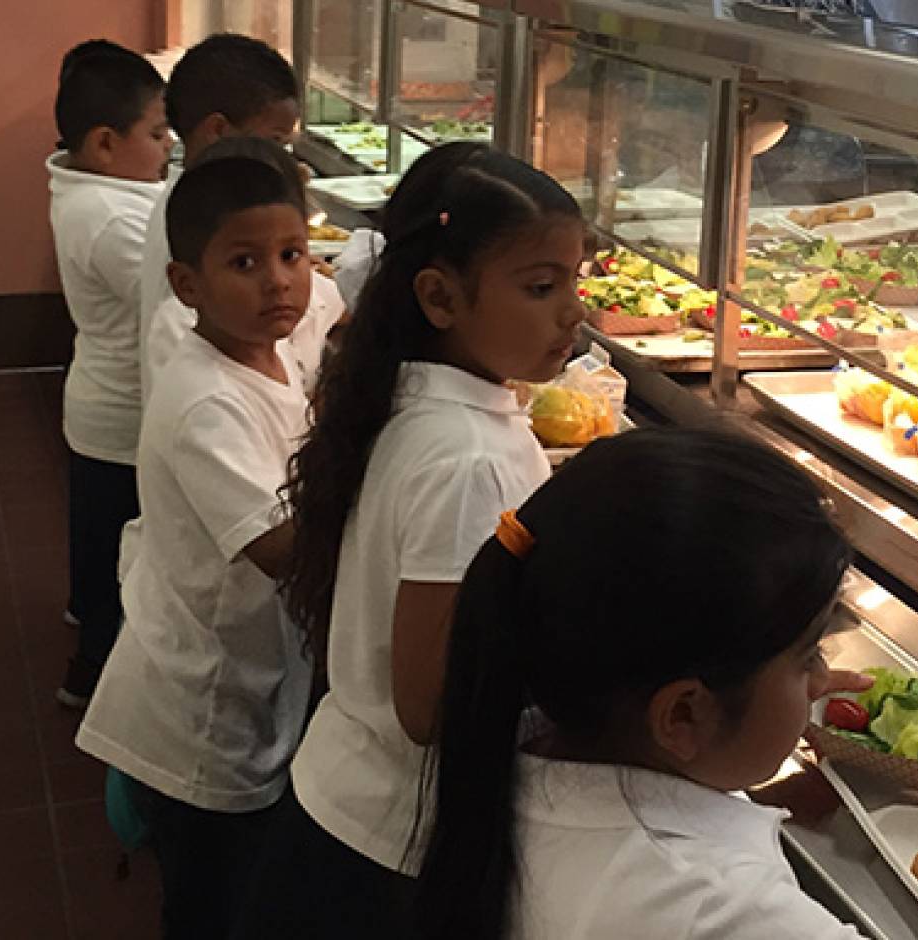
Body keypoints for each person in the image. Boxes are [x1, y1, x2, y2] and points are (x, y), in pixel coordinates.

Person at [412, 425, 918, 940]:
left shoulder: (524, 753)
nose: (825, 682)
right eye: (806, 655)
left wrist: (760, 804)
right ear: (683, 715)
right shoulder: (722, 912)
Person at [232, 142, 587, 938]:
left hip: (343, 797)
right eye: (540, 287)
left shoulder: (415, 401)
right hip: (383, 843)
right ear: (440, 297)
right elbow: (430, 702)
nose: (573, 312)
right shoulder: (469, 459)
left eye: (576, 282)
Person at [75, 138, 314, 938]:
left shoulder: (270, 360)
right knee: (213, 900)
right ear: (186, 284)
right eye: (245, 263)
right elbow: (281, 550)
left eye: (292, 253)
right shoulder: (208, 400)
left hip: (241, 678)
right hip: (200, 709)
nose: (279, 280)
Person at [45, 40, 172, 708]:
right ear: (103, 144)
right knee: (114, 553)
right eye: (156, 133)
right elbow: (176, 296)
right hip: (120, 419)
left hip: (100, 404)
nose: (168, 145)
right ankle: (91, 672)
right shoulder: (109, 219)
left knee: (96, 540)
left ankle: (86, 614)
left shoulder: (99, 192)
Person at [134, 32, 344, 407]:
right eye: (274, 142)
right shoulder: (204, 224)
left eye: (290, 255)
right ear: (218, 131)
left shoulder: (195, 202)